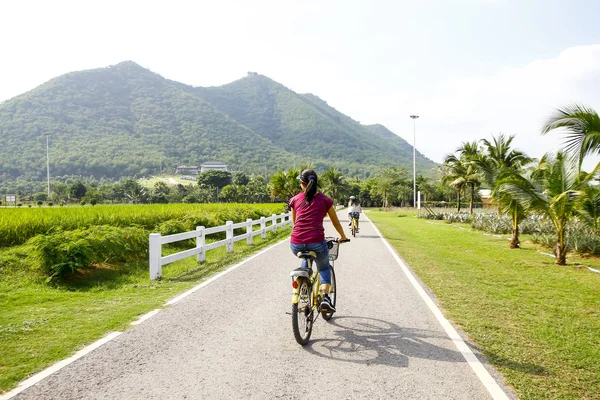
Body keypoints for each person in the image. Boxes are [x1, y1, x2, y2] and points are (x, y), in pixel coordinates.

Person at [289, 169, 349, 313]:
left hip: (296, 242)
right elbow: (336, 222)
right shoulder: (325, 200)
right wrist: (342, 236)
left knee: (305, 256)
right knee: (323, 267)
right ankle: (326, 298)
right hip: (316, 241)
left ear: (302, 184)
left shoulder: (295, 199)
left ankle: (304, 287)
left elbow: (294, 223)